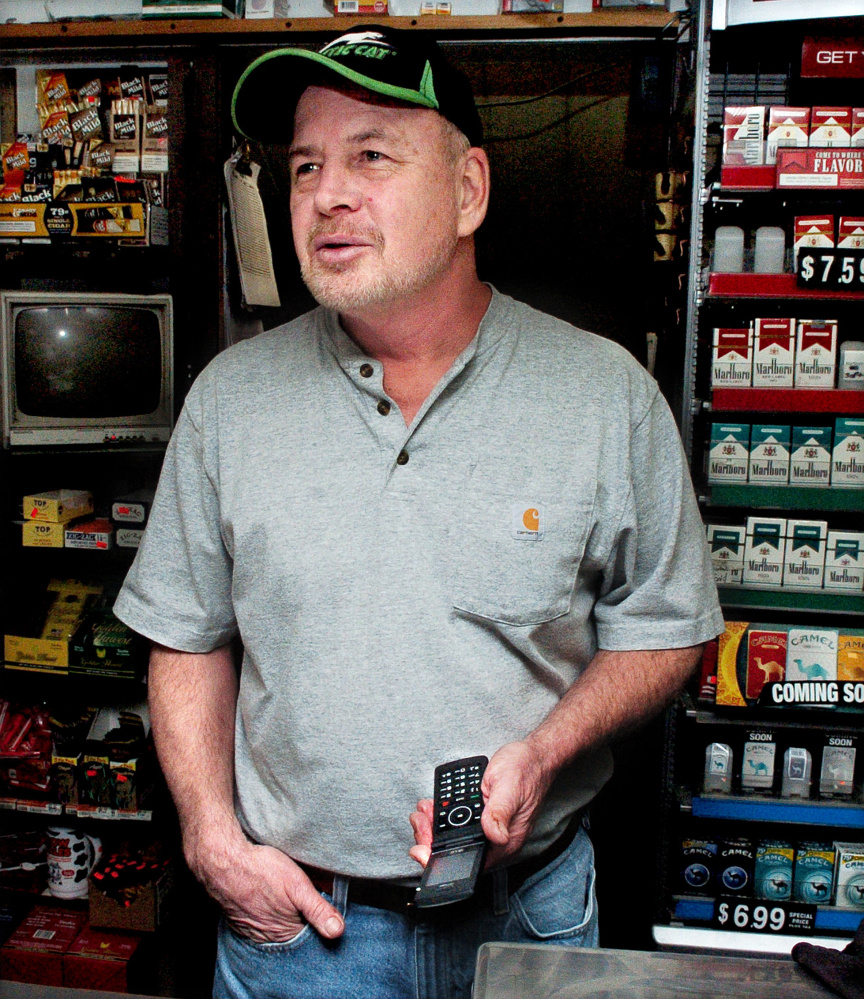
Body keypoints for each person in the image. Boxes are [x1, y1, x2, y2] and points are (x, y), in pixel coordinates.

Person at [113, 25, 724, 999]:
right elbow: (187, 637)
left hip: (530, 912)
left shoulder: (603, 394)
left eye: (371, 156)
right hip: (298, 932)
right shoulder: (231, 400)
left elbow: (665, 630)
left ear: (470, 189)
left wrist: (549, 747)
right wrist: (212, 839)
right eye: (306, 164)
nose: (326, 192)